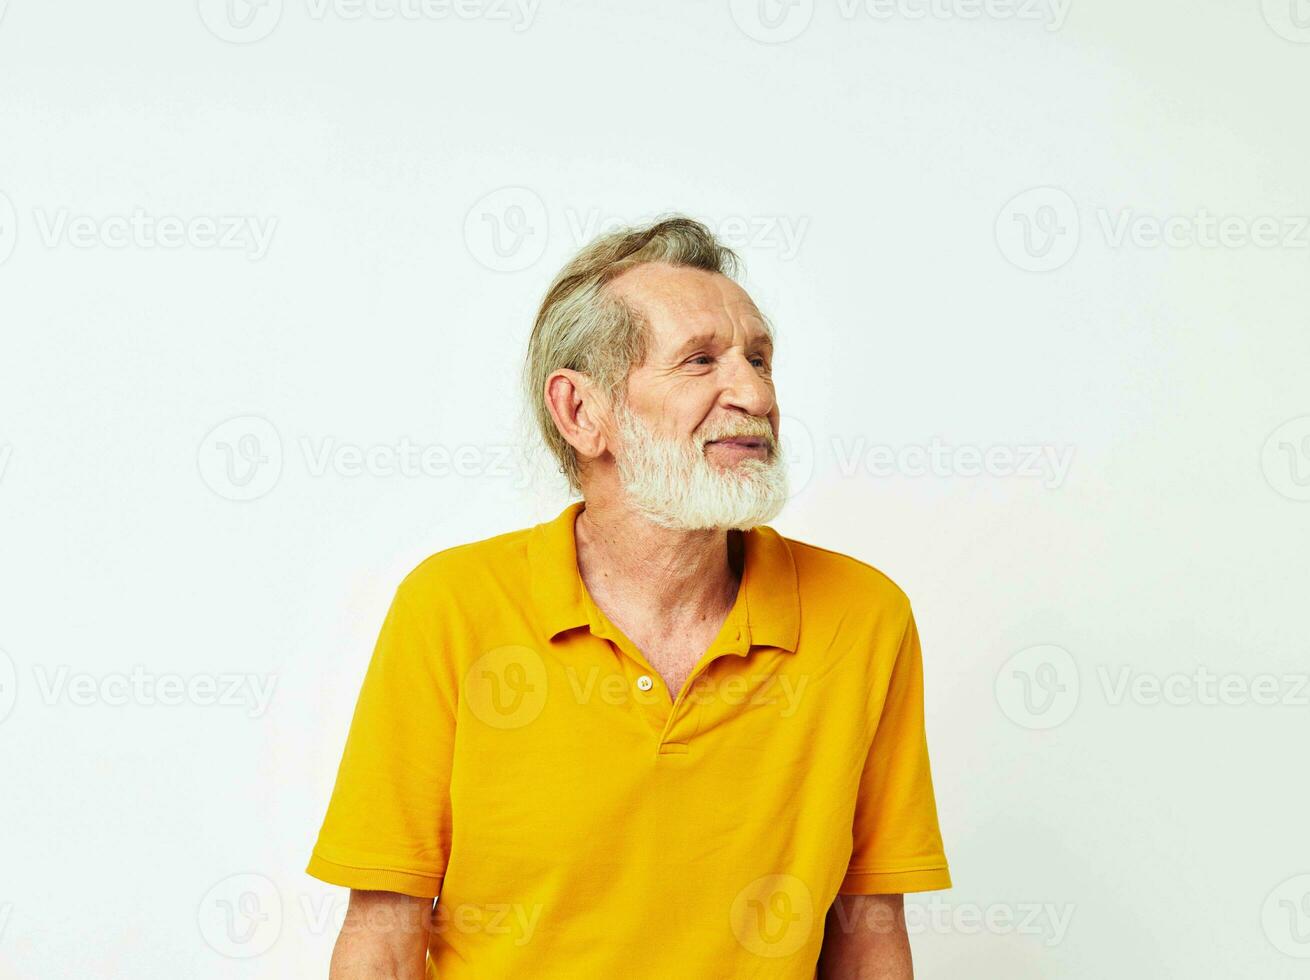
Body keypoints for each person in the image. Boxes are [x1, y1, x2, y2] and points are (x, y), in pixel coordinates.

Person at [306, 216, 951, 978]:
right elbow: (382, 936)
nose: (752, 393)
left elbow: (869, 931)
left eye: (760, 359)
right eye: (700, 360)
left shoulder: (863, 616)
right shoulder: (451, 607)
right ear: (582, 412)